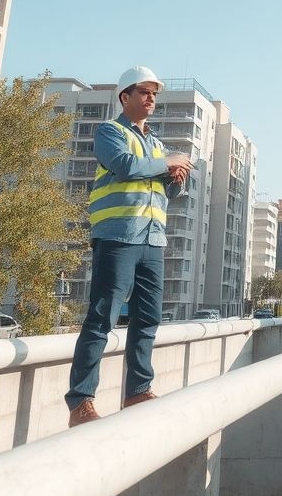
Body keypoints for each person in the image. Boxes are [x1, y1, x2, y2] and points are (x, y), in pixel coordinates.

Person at [65, 66, 193, 427]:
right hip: (119, 236)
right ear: (126, 96)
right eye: (144, 92)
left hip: (153, 239)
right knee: (102, 317)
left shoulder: (156, 145)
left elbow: (164, 191)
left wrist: (176, 180)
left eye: (154, 94)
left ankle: (138, 391)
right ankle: (81, 402)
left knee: (148, 318)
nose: (151, 99)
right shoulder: (109, 131)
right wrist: (167, 163)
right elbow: (123, 166)